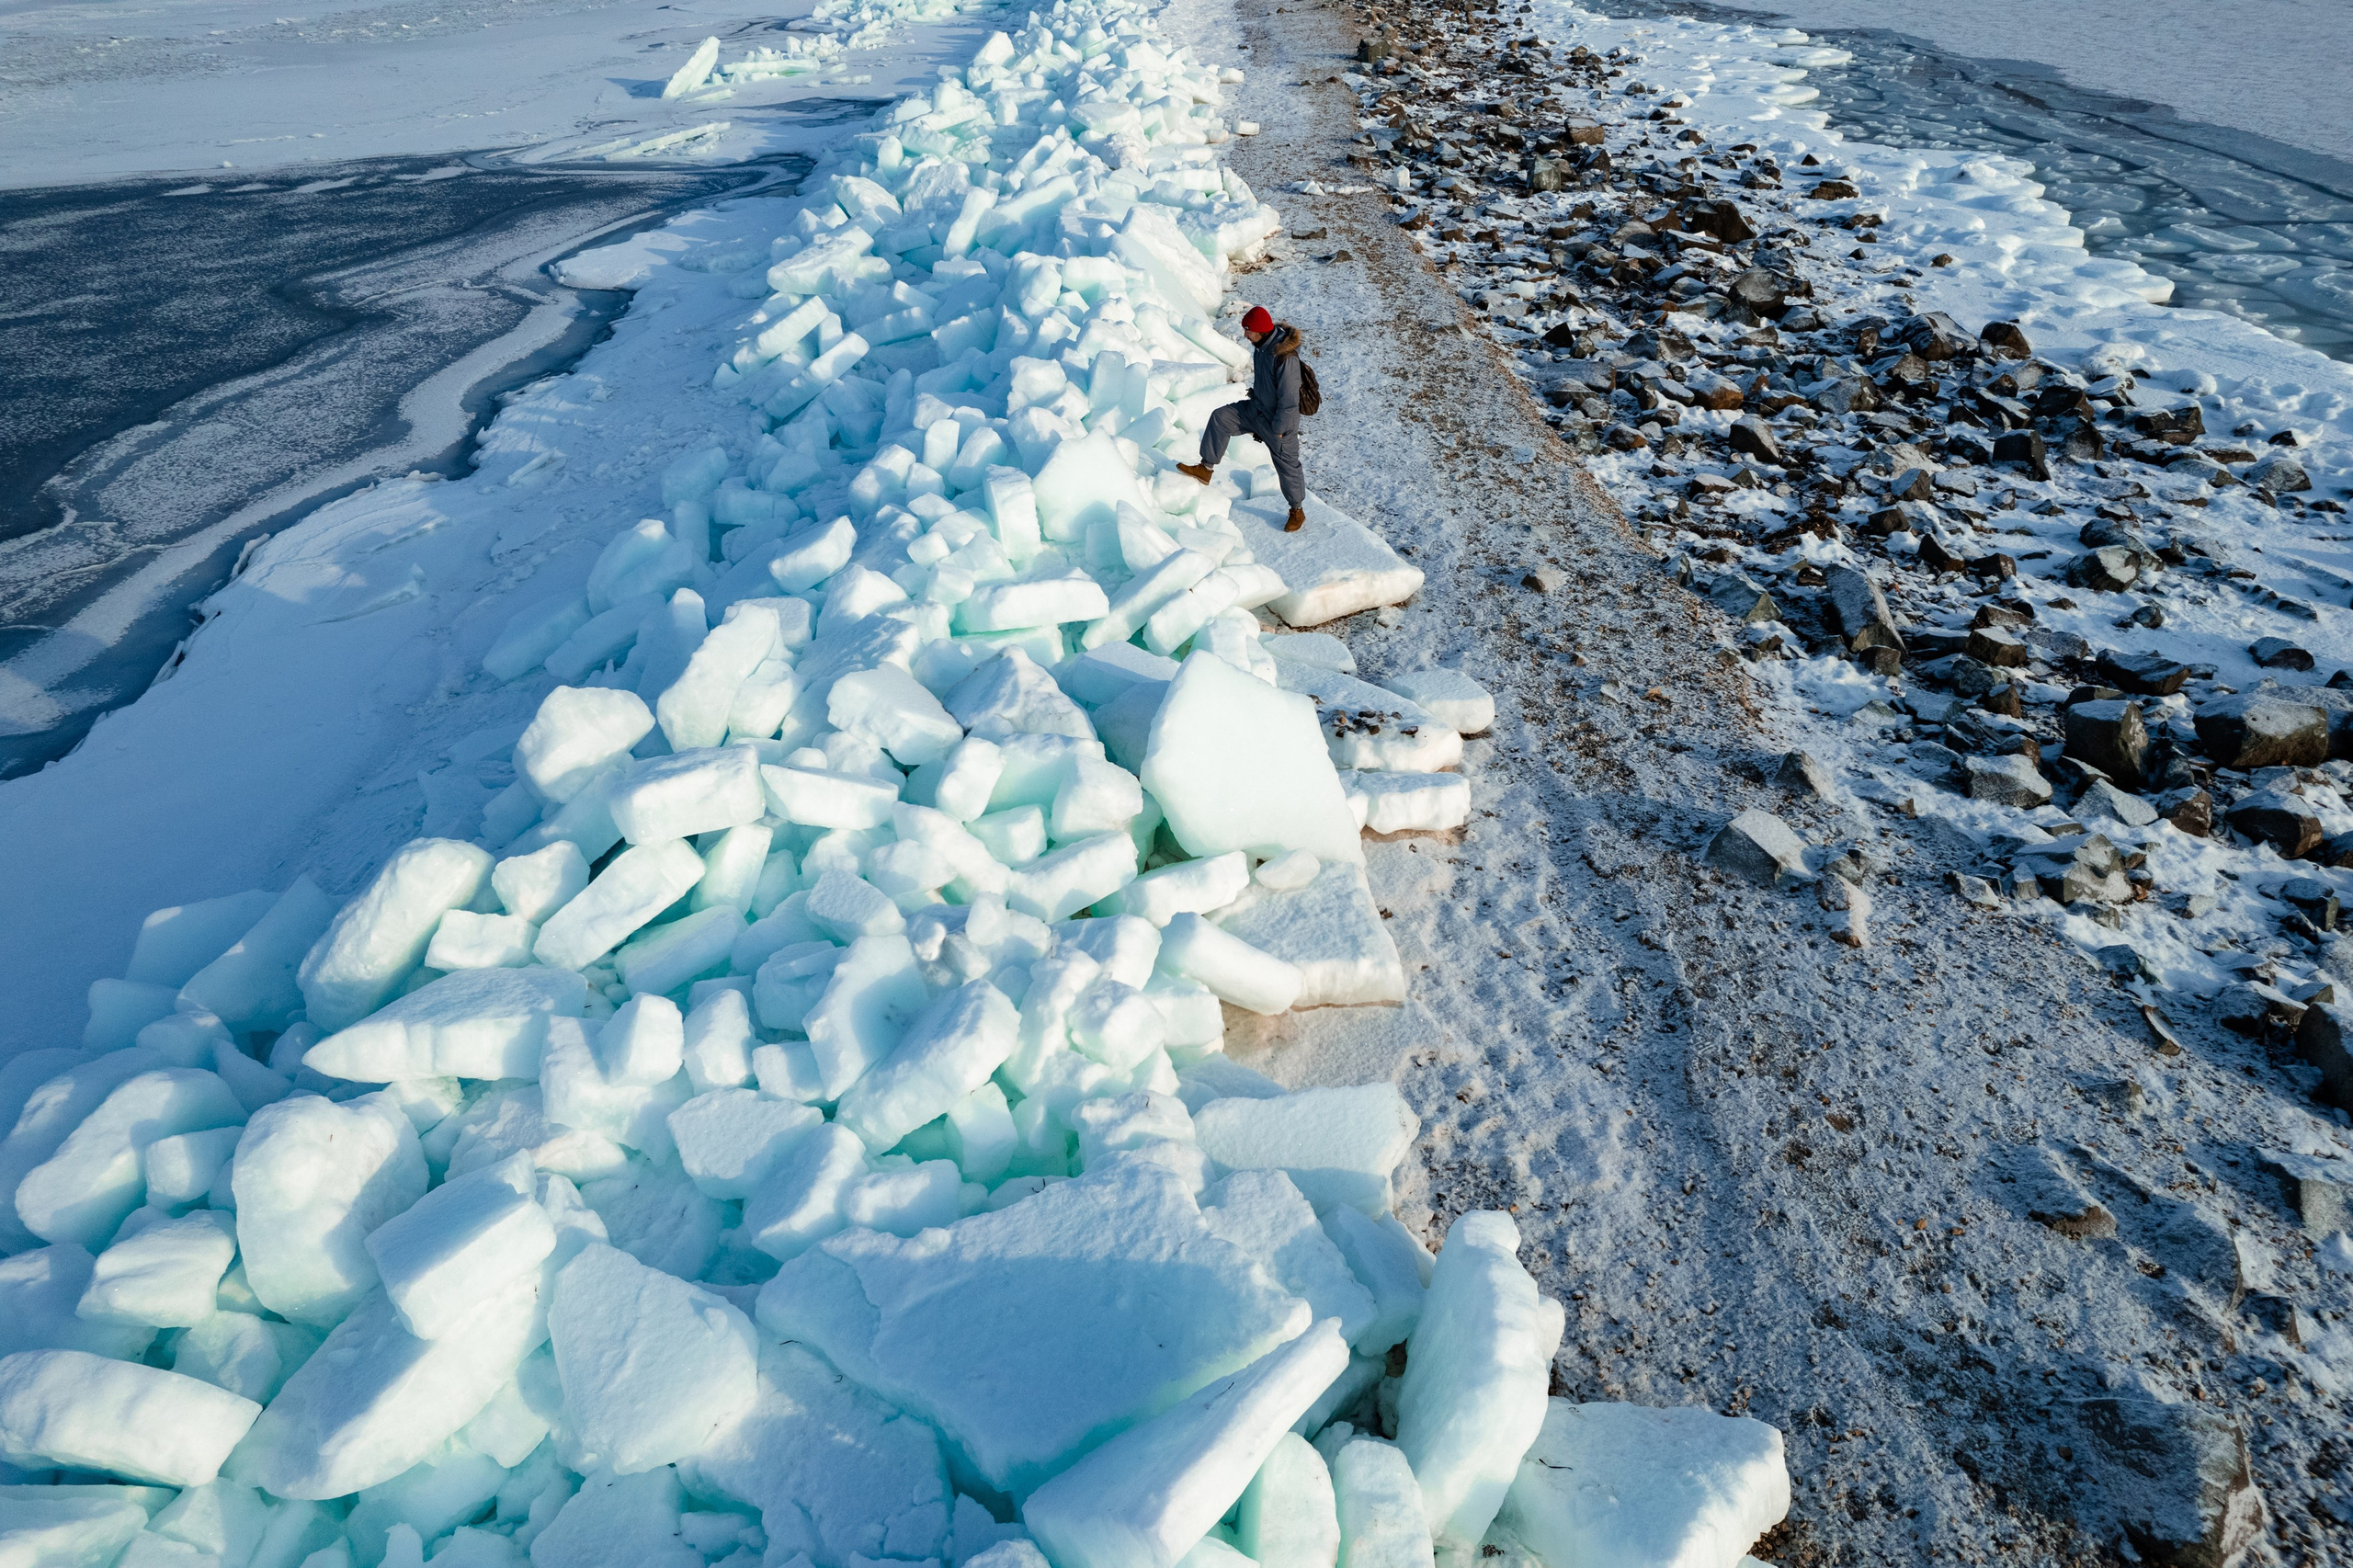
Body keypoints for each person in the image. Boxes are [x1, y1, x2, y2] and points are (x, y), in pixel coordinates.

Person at [1177, 304, 1306, 531]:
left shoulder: (1285, 358)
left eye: (1248, 330)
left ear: (1260, 331)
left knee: (1288, 467)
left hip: (1278, 423)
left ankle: (1297, 510)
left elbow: (1289, 401)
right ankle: (1206, 468)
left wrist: (1279, 429)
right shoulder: (1261, 347)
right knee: (1221, 418)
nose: (1245, 334)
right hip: (1256, 410)